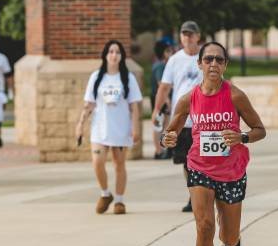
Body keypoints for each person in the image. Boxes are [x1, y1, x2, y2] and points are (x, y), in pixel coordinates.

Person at [162, 42, 266, 246]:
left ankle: (231, 236)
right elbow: (170, 132)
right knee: (204, 226)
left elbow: (259, 129)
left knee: (228, 237)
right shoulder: (188, 99)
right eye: (208, 59)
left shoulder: (236, 96)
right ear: (199, 64)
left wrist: (242, 137)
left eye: (219, 60)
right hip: (200, 167)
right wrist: (167, 138)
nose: (213, 64)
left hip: (232, 171)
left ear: (225, 65)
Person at [75, 40, 142, 215]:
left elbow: (134, 106)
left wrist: (136, 128)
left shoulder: (128, 78)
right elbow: (89, 104)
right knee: (97, 162)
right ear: (105, 55)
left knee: (119, 164)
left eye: (117, 52)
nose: (114, 55)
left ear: (121, 56)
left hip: (120, 128)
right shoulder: (96, 77)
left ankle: (119, 200)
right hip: (100, 128)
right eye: (111, 52)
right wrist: (80, 125)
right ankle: (105, 194)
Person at [152, 21, 203, 212]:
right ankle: (193, 197)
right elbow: (165, 87)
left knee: (203, 160)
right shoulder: (174, 60)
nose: (187, 37)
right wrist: (156, 109)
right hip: (182, 120)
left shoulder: (206, 57)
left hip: (203, 120)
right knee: (187, 161)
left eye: (191, 34)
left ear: (198, 36)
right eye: (184, 34)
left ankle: (205, 194)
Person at [151, 40, 173, 159]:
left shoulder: (163, 65)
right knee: (158, 125)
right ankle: (158, 151)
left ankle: (163, 148)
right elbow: (161, 85)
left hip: (163, 99)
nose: (170, 53)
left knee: (165, 125)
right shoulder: (160, 66)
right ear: (162, 52)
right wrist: (167, 101)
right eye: (168, 51)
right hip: (160, 100)